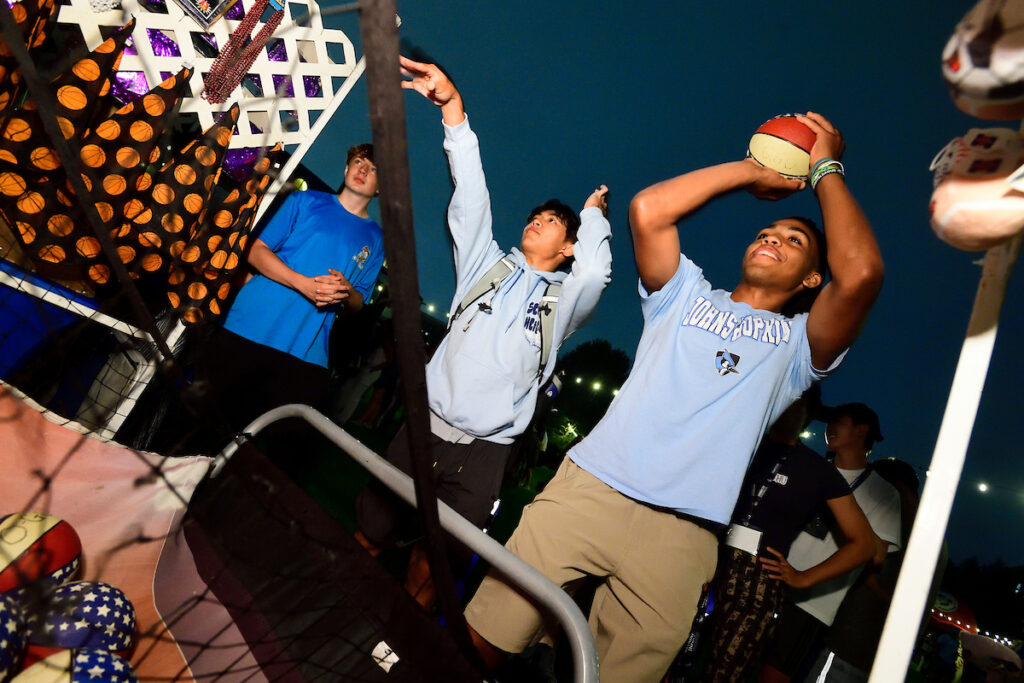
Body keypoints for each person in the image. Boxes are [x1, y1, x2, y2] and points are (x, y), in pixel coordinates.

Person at [464, 112, 885, 683]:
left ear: (812, 280)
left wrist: (825, 168)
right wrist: (752, 170)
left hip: (684, 535)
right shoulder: (684, 292)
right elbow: (648, 210)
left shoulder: (797, 344)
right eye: (766, 232)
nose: (771, 238)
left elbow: (860, 274)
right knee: (485, 637)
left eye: (794, 241)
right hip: (593, 488)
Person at [353, 56, 613, 610]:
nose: (535, 221)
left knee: (435, 567)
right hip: (423, 429)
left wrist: (592, 218)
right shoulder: (485, 265)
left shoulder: (563, 303)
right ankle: (335, 616)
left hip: (485, 455)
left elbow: (595, 272)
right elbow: (470, 194)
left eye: (551, 223)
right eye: (535, 216)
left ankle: (400, 656)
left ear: (567, 246)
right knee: (369, 534)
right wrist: (454, 111)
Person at [169, 144, 385, 454]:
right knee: (197, 428)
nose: (363, 170)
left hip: (305, 351)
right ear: (346, 169)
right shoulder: (304, 201)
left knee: (267, 451)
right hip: (248, 329)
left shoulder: (375, 239)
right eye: (359, 162)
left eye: (374, 169)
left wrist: (346, 290)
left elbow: (359, 302)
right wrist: (303, 284)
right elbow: (256, 251)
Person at [703, 389, 875, 683]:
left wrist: (804, 577)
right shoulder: (743, 443)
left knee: (723, 673)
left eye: (796, 403)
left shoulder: (818, 470)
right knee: (675, 652)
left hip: (756, 586)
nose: (787, 407)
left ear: (808, 414)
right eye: (781, 397)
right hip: (704, 560)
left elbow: (864, 544)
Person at [761, 402, 902, 683]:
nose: (830, 427)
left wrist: (841, 506)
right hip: (769, 578)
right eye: (829, 420)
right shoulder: (810, 467)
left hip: (814, 604)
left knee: (773, 675)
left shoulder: (884, 493)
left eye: (840, 421)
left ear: (862, 430)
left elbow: (875, 556)